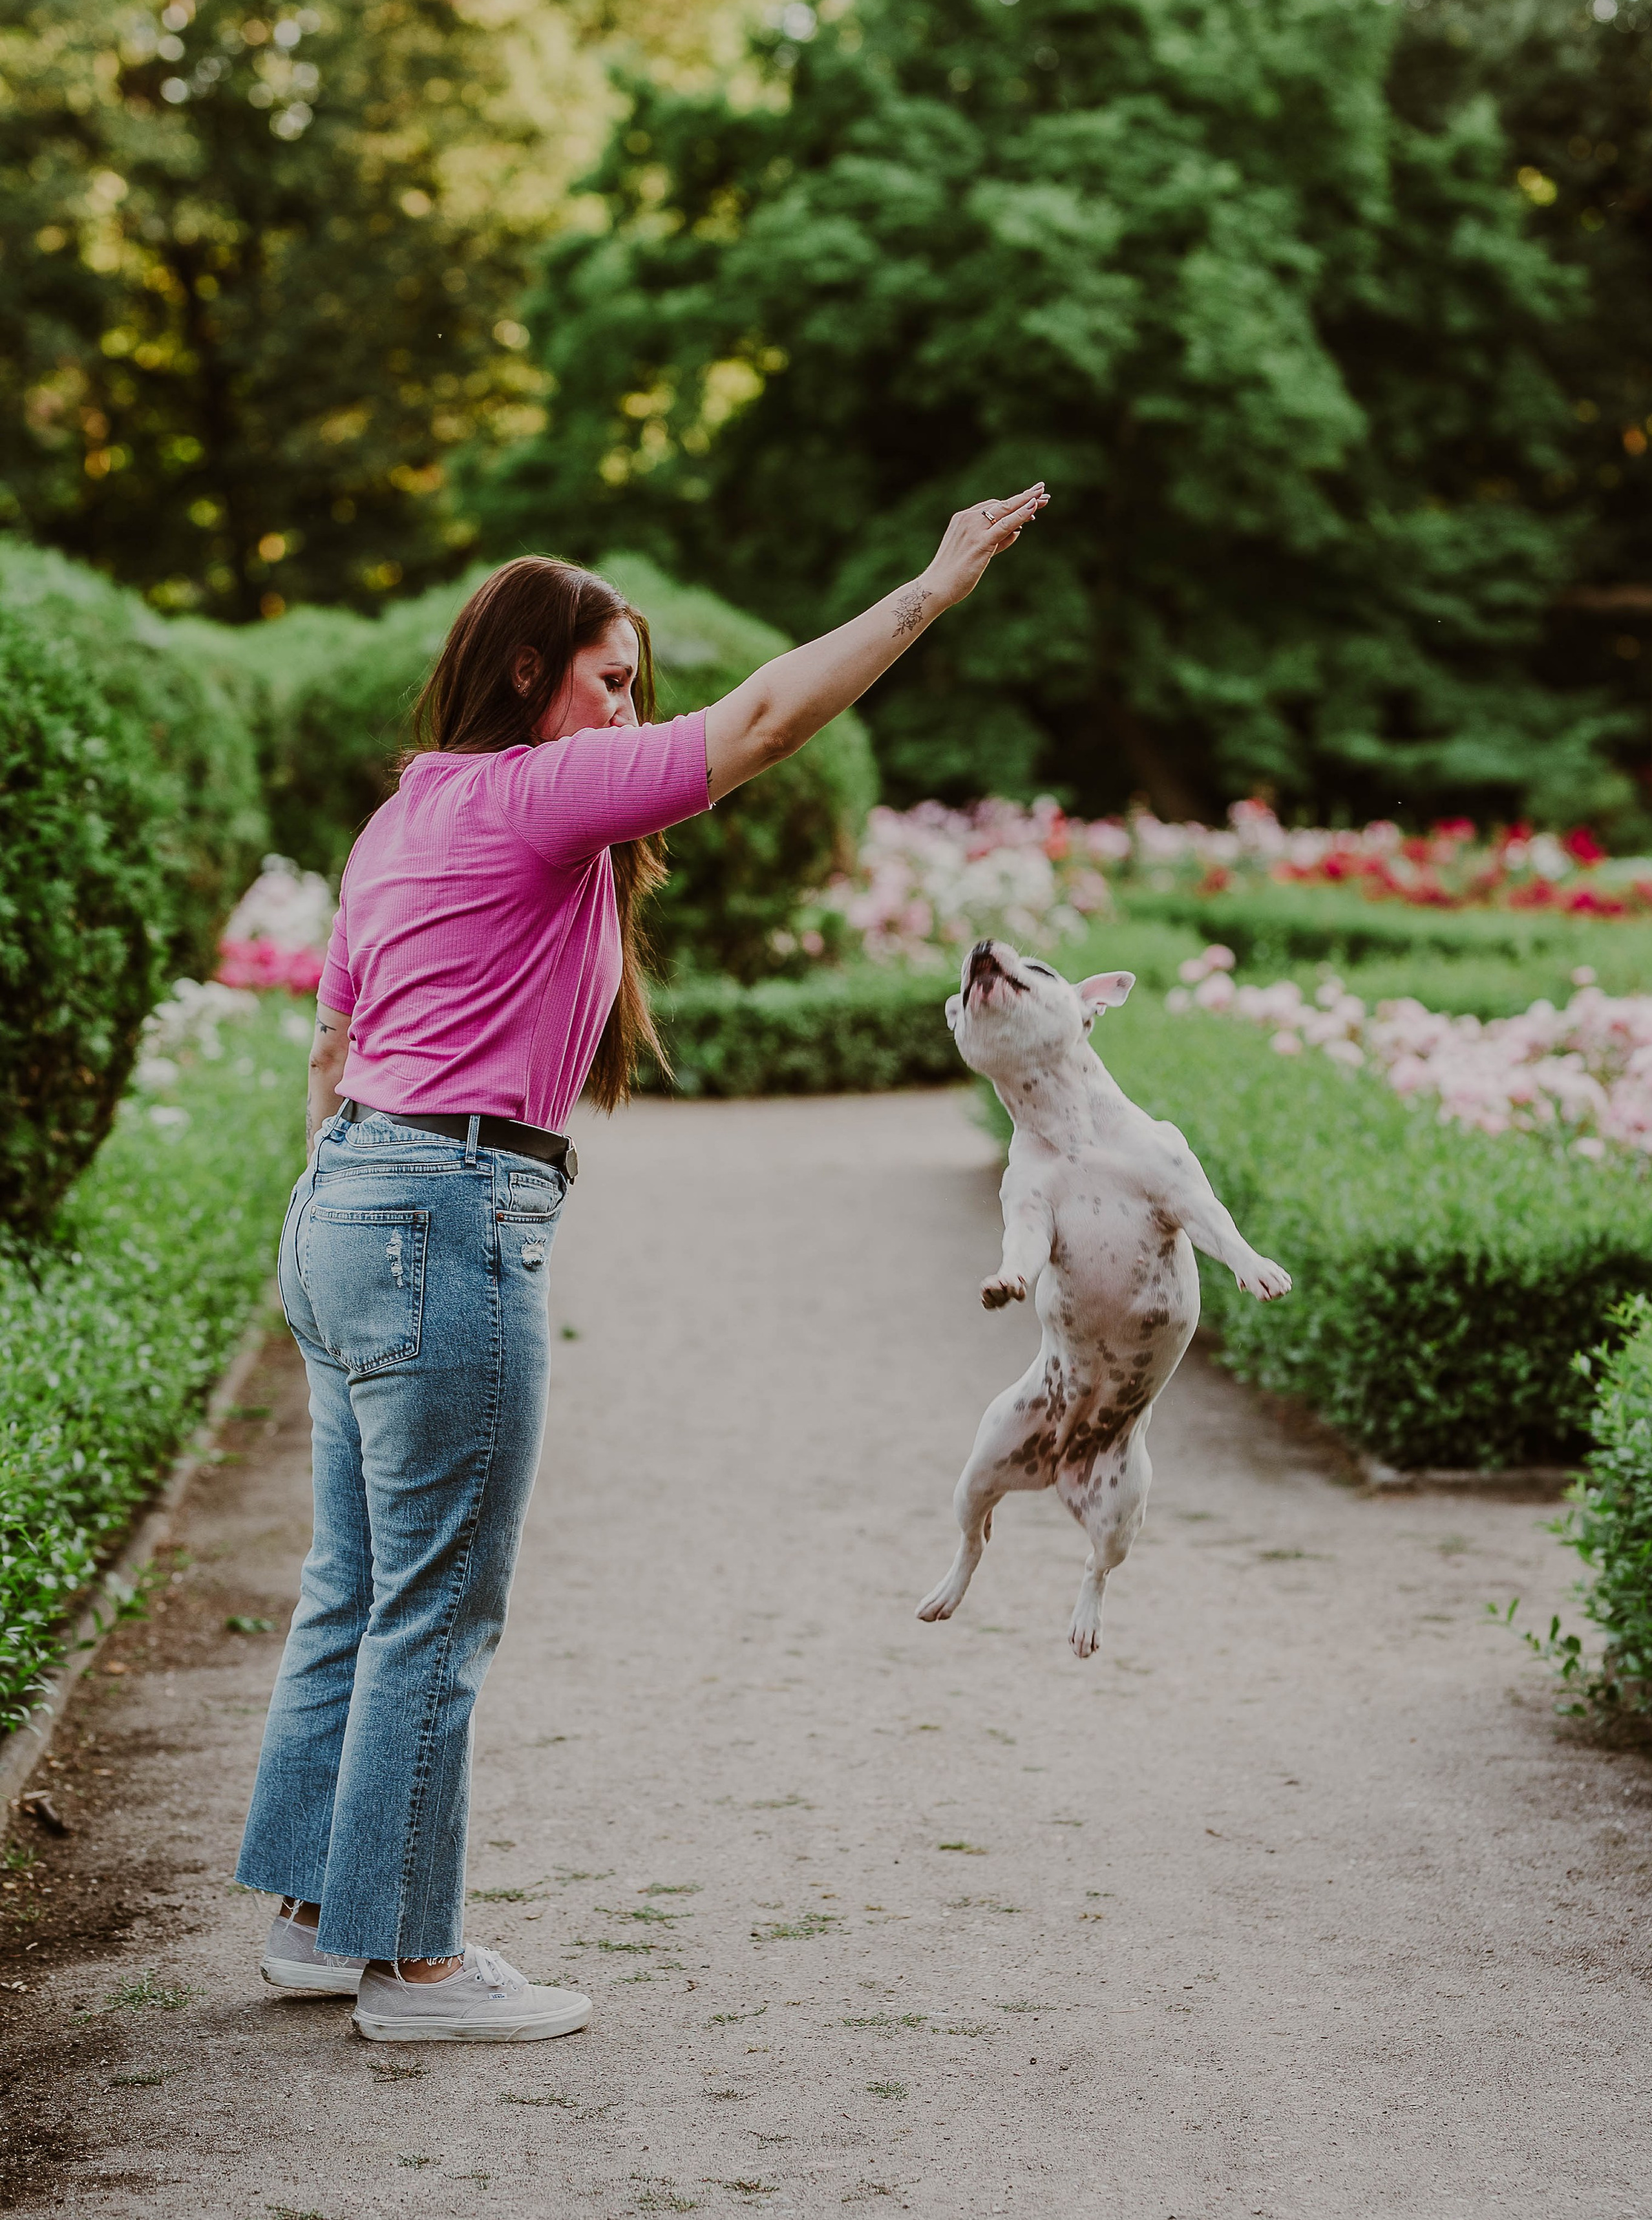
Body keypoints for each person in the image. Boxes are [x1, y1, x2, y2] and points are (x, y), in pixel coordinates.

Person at [235, 485, 1048, 2042]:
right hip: (443, 1207)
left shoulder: (405, 812)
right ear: (530, 669)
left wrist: (361, 1205)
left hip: (346, 1201)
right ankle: (411, 1966)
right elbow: (752, 727)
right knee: (437, 1602)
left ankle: (322, 1922)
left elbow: (332, 1045)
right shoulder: (528, 792)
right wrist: (927, 591)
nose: (631, 712)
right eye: (611, 679)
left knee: (355, 1583)